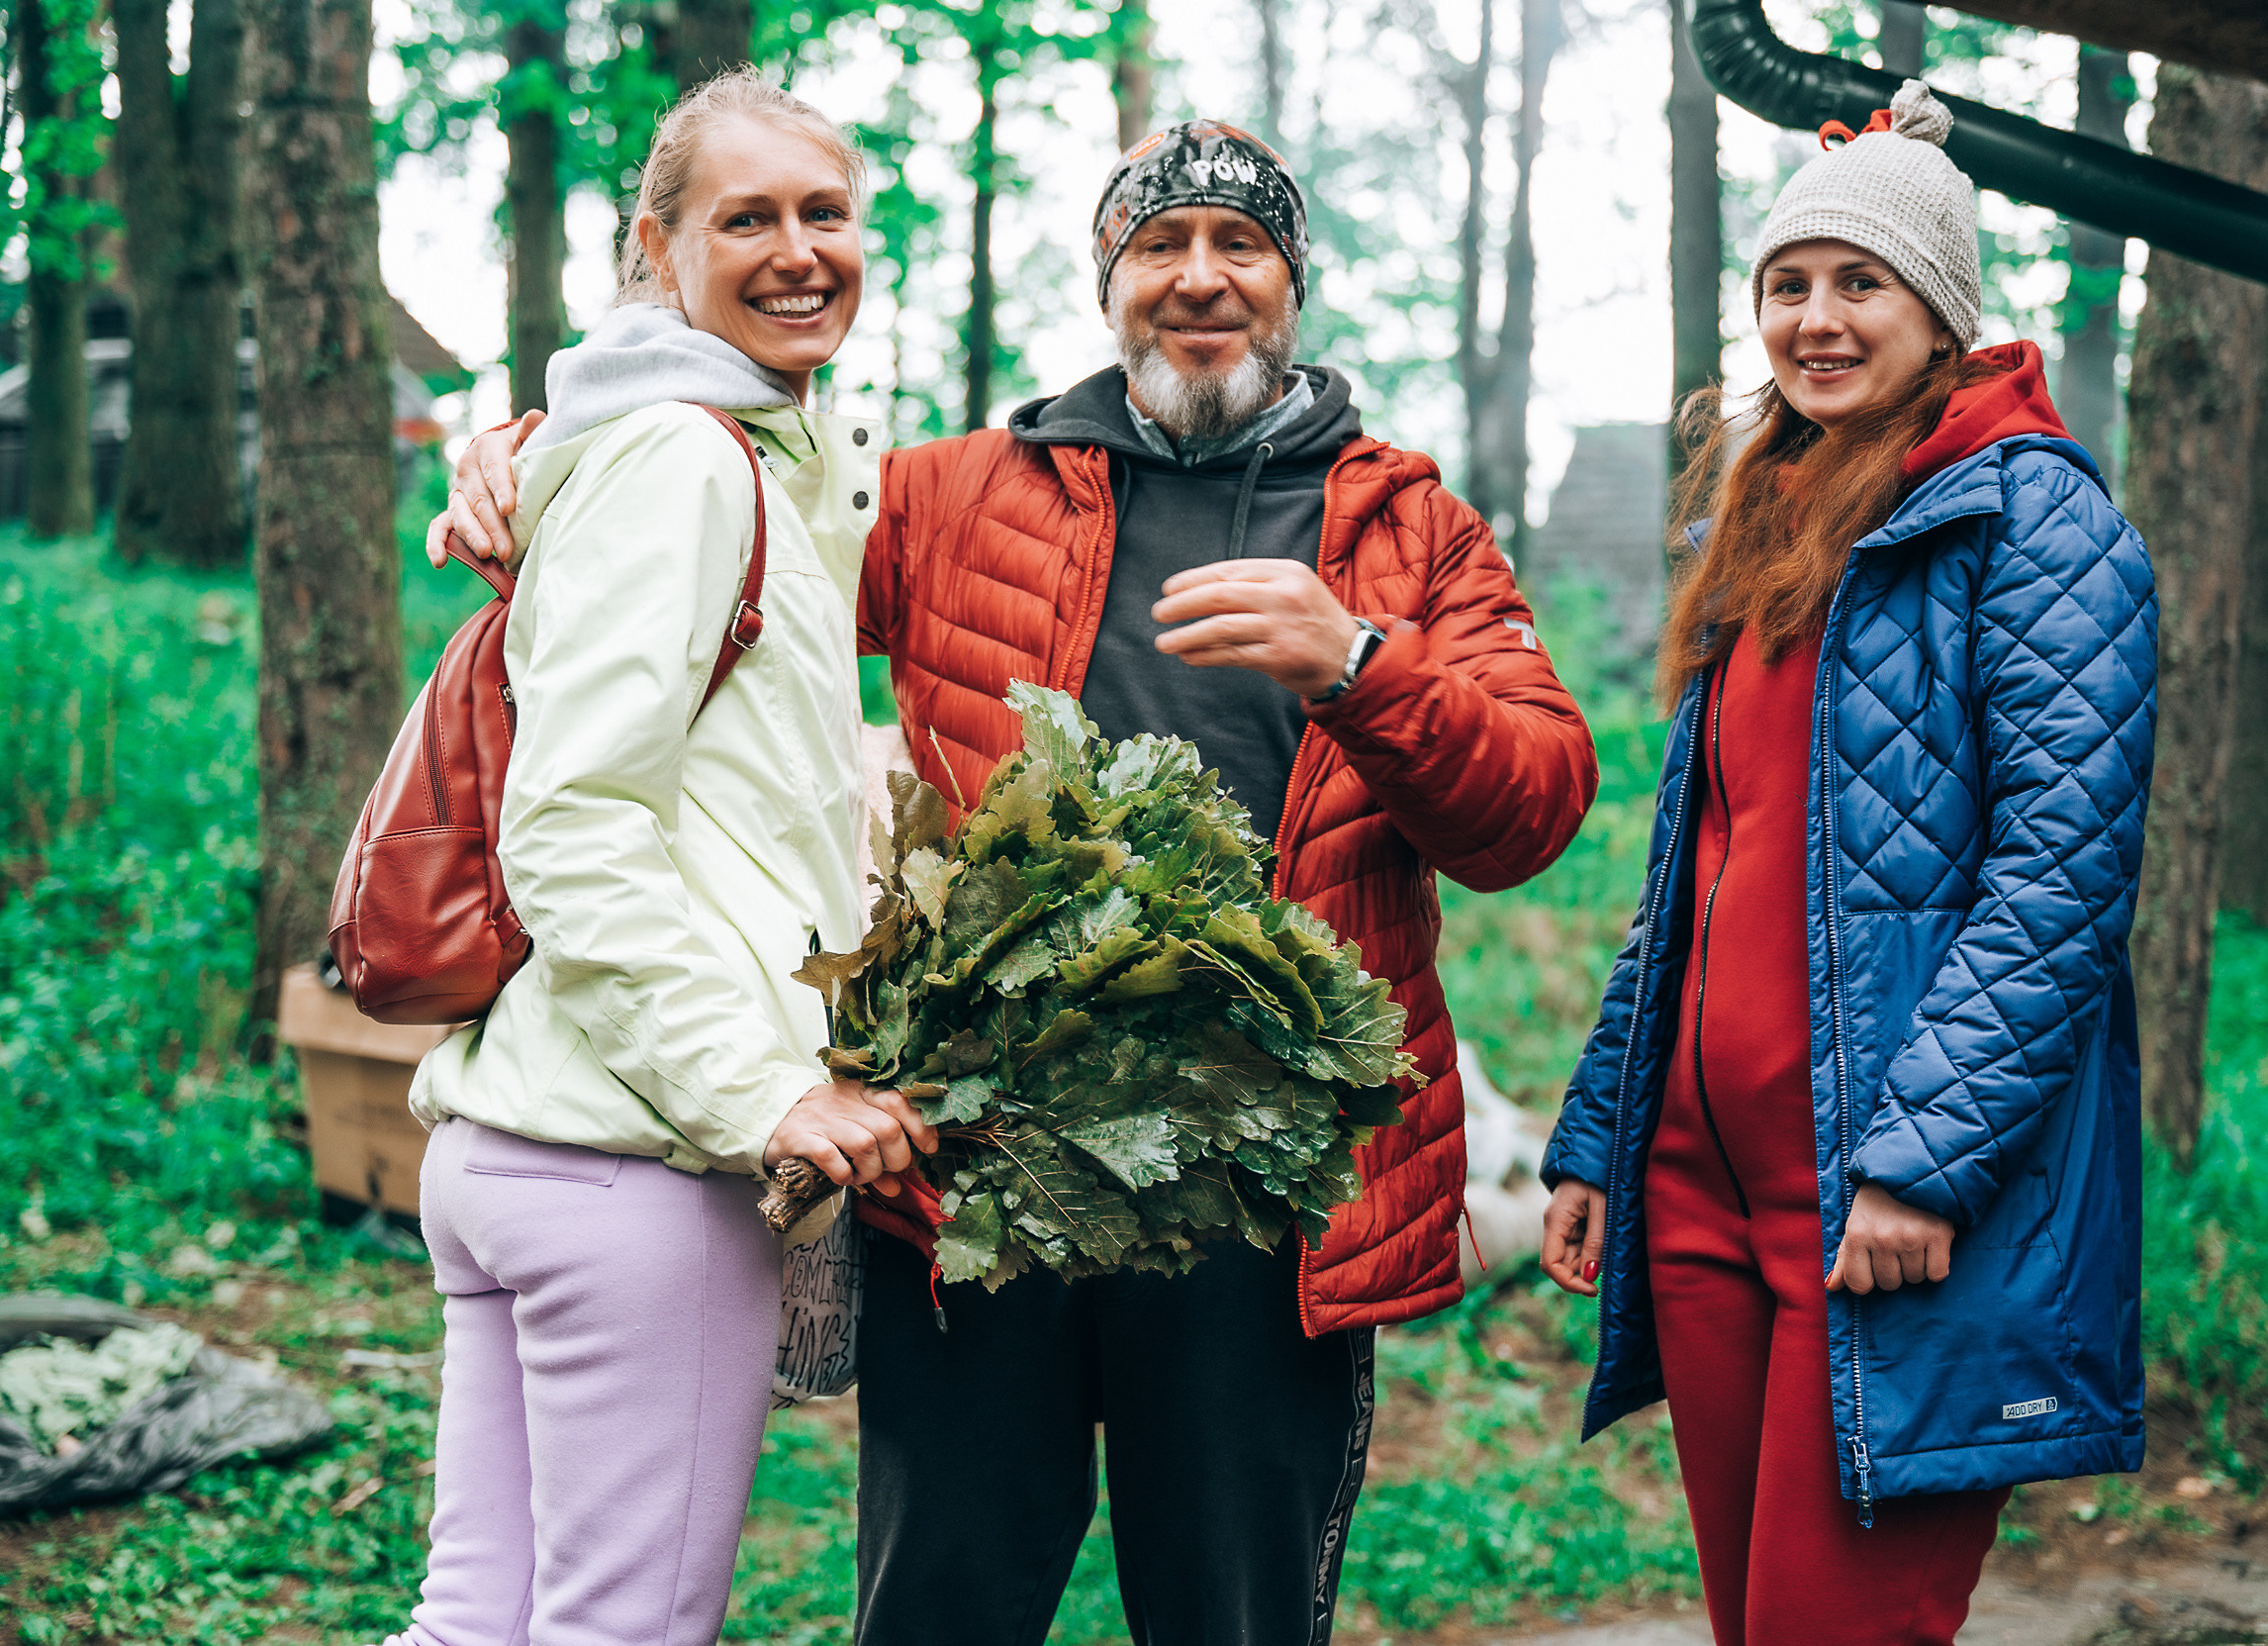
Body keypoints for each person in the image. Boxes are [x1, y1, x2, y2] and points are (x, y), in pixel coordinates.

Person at [440, 118, 1598, 1646]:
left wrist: (1360, 663)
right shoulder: (948, 493)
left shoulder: (1411, 531)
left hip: (1263, 1204)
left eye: (1240, 246)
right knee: (941, 1607)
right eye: (1159, 246)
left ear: (1292, 281)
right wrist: (535, 454)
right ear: (1109, 283)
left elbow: (1530, 813)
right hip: (981, 1175)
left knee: (1236, 1617)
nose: (1200, 279)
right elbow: (718, 544)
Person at [1537, 83, 2155, 1646]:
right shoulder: (1769, 523)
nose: (1816, 321)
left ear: (1940, 311)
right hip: (1701, 1187)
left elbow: (2061, 878)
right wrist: (1606, 1134)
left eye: (1860, 282)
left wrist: (1923, 1161)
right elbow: (1693, 878)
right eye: (1788, 284)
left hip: (1877, 1198)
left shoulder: (2033, 520)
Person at [382, 71, 936, 1646]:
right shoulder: (688, 460)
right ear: (657, 247)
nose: (797, 252)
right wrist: (758, 1095)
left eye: (825, 213)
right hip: (634, 1158)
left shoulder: (701, 448)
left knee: (479, 1620)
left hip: (521, 1136)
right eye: (745, 219)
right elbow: (574, 821)